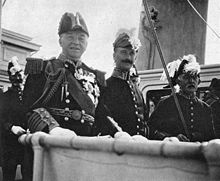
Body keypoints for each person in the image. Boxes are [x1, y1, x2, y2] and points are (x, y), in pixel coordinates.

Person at [22, 12, 118, 136]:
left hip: (87, 145)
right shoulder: (43, 69)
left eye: (81, 38)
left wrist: (117, 133)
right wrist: (53, 129)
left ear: (87, 42)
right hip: (53, 143)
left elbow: (101, 114)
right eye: (70, 37)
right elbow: (29, 108)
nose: (76, 42)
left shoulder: (95, 76)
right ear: (60, 41)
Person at [148, 54, 215, 142]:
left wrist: (194, 136)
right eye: (186, 77)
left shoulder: (205, 108)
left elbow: (211, 137)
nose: (191, 81)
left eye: (194, 77)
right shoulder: (166, 103)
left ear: (199, 81)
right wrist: (171, 137)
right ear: (178, 81)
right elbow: (151, 130)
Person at [99, 32, 149, 137]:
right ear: (114, 56)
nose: (128, 57)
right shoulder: (105, 87)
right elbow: (104, 121)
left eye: (132, 53)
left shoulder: (137, 90)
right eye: (123, 52)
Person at [1, 57, 26, 181]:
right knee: (9, 174)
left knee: (28, 174)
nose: (17, 78)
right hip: (9, 143)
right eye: (14, 76)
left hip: (27, 141)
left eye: (19, 75)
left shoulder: (28, 97)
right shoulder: (4, 97)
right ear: (10, 78)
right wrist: (11, 127)